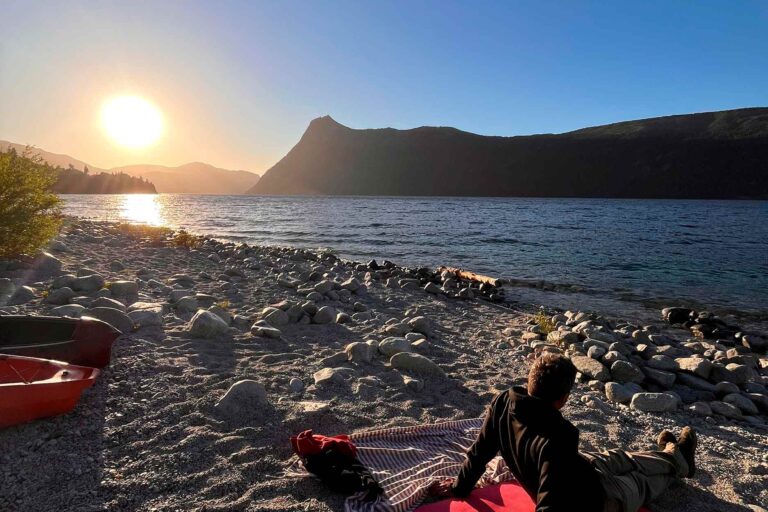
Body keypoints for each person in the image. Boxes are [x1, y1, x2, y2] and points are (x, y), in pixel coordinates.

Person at [430, 352, 696, 512]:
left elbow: (480, 451)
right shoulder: (559, 436)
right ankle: (679, 464)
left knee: (621, 457)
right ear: (564, 398)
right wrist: (458, 489)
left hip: (580, 469)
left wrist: (459, 488)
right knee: (639, 483)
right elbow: (550, 506)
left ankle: (673, 452)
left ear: (530, 382)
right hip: (596, 500)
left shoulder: (504, 401)